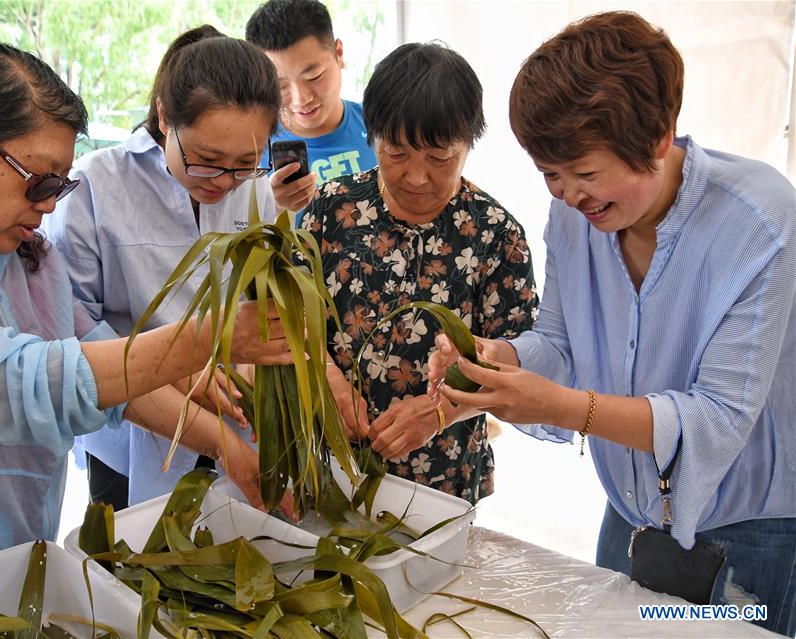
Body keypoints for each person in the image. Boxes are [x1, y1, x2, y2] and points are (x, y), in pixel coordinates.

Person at [427, 12, 795, 635]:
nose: (569, 195)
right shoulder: (574, 217)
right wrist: (502, 361)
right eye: (550, 173)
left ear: (658, 137)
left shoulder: (759, 222)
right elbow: (562, 342)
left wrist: (563, 407)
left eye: (586, 174)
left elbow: (718, 418)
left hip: (748, 535)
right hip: (630, 516)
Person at [0, 39, 292, 582]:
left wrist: (223, 443)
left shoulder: (30, 260)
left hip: (16, 550)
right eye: (38, 179)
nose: (50, 203)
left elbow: (107, 366)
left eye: (59, 183)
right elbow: (17, 382)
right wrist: (208, 338)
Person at [45, 27, 281, 508]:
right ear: (163, 118)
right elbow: (69, 322)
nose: (224, 181)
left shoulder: (259, 191)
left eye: (245, 163)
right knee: (131, 559)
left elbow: (261, 300)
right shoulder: (97, 185)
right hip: (132, 428)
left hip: (238, 414)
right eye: (206, 160)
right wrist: (174, 369)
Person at [301, 42, 539, 505]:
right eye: (396, 153)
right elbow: (286, 318)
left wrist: (439, 411)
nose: (415, 176)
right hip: (330, 463)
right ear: (372, 137)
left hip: (445, 473)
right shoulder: (330, 210)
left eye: (439, 157)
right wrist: (324, 376)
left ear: (469, 144)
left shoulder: (494, 233)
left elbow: (519, 359)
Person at [246, 0, 376, 216]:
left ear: (339, 53)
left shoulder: (381, 125)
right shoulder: (251, 150)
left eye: (313, 76)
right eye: (280, 85)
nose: (301, 99)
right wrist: (271, 206)